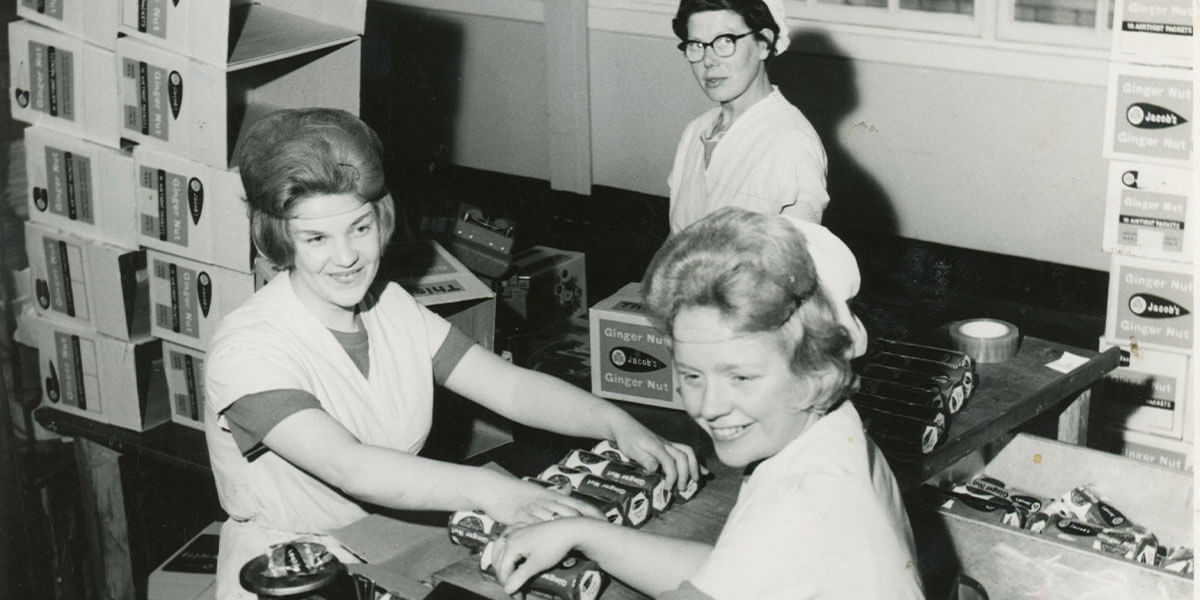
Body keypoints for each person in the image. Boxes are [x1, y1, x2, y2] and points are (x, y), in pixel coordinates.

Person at [203, 108, 701, 600]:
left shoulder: (391, 306)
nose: (347, 256)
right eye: (316, 238)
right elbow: (349, 465)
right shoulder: (247, 350)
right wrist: (504, 495)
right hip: (288, 575)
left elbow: (509, 386)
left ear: (381, 217)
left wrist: (615, 423)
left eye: (359, 228)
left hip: (388, 547)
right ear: (279, 239)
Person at [488, 207, 923, 599]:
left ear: (816, 374)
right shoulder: (830, 435)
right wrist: (583, 533)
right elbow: (728, 573)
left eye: (741, 377)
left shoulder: (801, 503)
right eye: (692, 375)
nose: (709, 406)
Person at [667, 0, 829, 234]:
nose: (708, 60)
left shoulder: (792, 144)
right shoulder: (696, 131)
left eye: (725, 41)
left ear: (764, 43)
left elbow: (794, 262)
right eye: (696, 45)